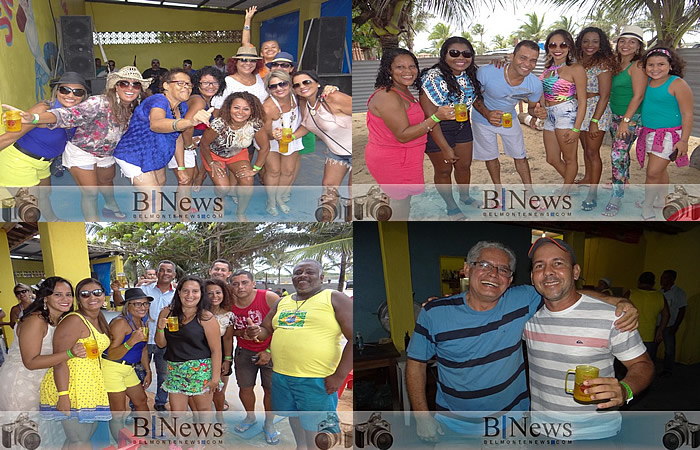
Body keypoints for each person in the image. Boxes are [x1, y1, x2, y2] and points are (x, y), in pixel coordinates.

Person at [406, 240, 638, 442]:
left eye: (503, 269)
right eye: (484, 265)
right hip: (454, 426)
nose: (493, 274)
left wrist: (618, 301)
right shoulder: (434, 313)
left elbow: (563, 291)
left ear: (510, 279)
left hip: (512, 424)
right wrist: (422, 417)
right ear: (466, 269)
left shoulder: (522, 300)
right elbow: (416, 365)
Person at [525, 238, 653, 441]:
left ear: (575, 272)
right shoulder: (528, 317)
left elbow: (642, 363)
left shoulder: (612, 316)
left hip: (595, 435)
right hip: (541, 433)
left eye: (558, 263)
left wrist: (625, 388)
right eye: (539, 265)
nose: (548, 271)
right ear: (532, 277)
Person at [12, 66, 150, 221]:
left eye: (136, 84)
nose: (130, 88)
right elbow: (66, 115)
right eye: (124, 83)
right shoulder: (98, 102)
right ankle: (94, 225)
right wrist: (35, 118)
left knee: (107, 181)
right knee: (90, 193)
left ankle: (110, 206)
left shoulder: (133, 108)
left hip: (106, 153)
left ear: (140, 90)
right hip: (81, 151)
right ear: (116, 86)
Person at [244, 260, 352, 449]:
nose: (302, 275)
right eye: (297, 272)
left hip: (316, 378)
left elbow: (354, 339)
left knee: (317, 425)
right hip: (282, 376)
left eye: (309, 271)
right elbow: (265, 331)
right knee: (294, 415)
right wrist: (255, 332)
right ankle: (300, 446)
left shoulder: (334, 298)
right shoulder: (282, 302)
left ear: (321, 277)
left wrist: (339, 376)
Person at [365, 48, 453, 220]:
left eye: (412, 66)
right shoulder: (387, 96)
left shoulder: (402, 90)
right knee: (398, 204)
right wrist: (436, 117)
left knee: (402, 200)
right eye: (400, 67)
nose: (408, 71)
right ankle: (396, 238)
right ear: (389, 70)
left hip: (406, 156)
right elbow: (403, 135)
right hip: (394, 158)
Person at [0, 72, 88, 221]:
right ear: (57, 91)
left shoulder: (77, 114)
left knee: (44, 194)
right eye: (65, 90)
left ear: (84, 96)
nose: (70, 95)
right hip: (19, 160)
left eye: (77, 92)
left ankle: (53, 220)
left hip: (43, 163)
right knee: (28, 210)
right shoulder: (43, 109)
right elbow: (10, 136)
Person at [40, 278, 112, 449]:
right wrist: (63, 395)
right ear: (79, 299)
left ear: (104, 295)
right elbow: (59, 361)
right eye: (85, 294)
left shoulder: (98, 317)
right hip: (72, 388)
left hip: (88, 385)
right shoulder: (74, 320)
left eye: (97, 293)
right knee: (80, 439)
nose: (92, 297)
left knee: (82, 436)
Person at [113, 68, 213, 192]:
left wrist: (181, 168)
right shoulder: (158, 100)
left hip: (155, 155)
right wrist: (190, 122)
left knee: (159, 186)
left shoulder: (181, 107)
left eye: (189, 84)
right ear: (166, 85)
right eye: (180, 83)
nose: (186, 87)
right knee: (153, 196)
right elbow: (156, 123)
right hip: (134, 154)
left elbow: (177, 138)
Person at [470, 40, 546, 199]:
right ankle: (498, 192)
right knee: (490, 157)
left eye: (533, 60)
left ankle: (530, 193)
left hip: (508, 119)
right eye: (522, 58)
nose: (527, 64)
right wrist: (487, 114)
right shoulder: (487, 72)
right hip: (482, 120)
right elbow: (474, 96)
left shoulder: (535, 84)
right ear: (512, 56)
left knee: (520, 155)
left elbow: (532, 108)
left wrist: (536, 114)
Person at [419, 37, 482, 219]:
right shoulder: (432, 77)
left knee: (464, 166)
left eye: (466, 53)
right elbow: (430, 116)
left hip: (462, 124)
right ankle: (451, 206)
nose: (460, 57)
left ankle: (465, 197)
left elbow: (475, 99)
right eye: (454, 53)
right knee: (444, 170)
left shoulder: (470, 74)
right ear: (444, 55)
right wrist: (445, 148)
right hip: (438, 127)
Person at [0, 277, 85, 411]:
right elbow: (30, 362)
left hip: (41, 382)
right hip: (21, 382)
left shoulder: (60, 319)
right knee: (24, 429)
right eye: (58, 294)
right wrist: (70, 353)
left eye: (68, 295)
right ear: (45, 297)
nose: (65, 299)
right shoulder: (36, 320)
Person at [636, 47, 693, 220]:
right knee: (659, 171)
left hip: (668, 135)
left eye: (661, 64)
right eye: (650, 65)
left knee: (653, 172)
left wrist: (684, 141)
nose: (655, 68)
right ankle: (661, 199)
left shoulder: (677, 83)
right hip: (648, 133)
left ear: (670, 65)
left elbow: (687, 114)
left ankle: (647, 206)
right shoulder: (647, 82)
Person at [155, 276, 222, 415]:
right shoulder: (167, 313)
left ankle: (204, 437)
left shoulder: (206, 318)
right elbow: (161, 344)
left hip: (200, 371)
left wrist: (215, 378)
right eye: (185, 291)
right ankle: (180, 438)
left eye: (195, 291)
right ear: (178, 292)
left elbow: (216, 350)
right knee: (177, 412)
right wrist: (160, 328)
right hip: (175, 369)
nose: (190, 295)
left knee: (203, 410)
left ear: (201, 294)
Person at [200, 91, 269, 221]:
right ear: (229, 107)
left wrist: (256, 169)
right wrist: (211, 163)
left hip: (237, 154)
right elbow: (204, 144)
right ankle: (220, 201)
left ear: (252, 111)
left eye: (246, 109)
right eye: (236, 107)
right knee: (223, 188)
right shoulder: (219, 124)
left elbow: (265, 147)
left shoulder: (255, 124)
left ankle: (241, 213)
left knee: (247, 180)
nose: (240, 112)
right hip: (214, 155)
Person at [230, 270, 280, 444]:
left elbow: (285, 328)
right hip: (244, 352)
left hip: (270, 351)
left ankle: (269, 423)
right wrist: (241, 332)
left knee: (270, 390)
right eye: (235, 284)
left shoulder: (269, 298)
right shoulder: (229, 303)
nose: (240, 287)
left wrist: (270, 352)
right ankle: (250, 417)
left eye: (244, 282)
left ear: (253, 283)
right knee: (245, 388)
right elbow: (228, 331)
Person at [293, 71, 352, 219]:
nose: (302, 86)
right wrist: (290, 137)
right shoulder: (304, 103)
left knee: (354, 192)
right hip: (336, 153)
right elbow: (308, 124)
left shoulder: (332, 98)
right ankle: (326, 220)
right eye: (297, 85)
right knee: (328, 188)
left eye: (306, 82)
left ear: (317, 83)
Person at [602, 26, 646, 216]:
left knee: (617, 155)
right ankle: (622, 183)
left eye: (632, 41)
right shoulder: (615, 63)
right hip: (616, 116)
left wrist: (625, 121)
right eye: (622, 40)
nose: (626, 45)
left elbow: (638, 96)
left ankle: (617, 197)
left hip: (631, 118)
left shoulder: (637, 66)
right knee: (622, 153)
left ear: (638, 47)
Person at [573, 27, 618, 211]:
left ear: (601, 44)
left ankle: (593, 193)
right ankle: (587, 178)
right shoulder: (578, 61)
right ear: (580, 42)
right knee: (585, 149)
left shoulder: (603, 63)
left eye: (595, 41)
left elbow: (605, 95)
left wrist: (594, 121)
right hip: (581, 110)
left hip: (596, 111)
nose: (590, 45)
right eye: (586, 41)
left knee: (593, 153)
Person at [539, 30, 587, 195]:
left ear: (569, 47)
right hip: (550, 115)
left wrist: (576, 129)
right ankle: (571, 185)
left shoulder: (575, 69)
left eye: (563, 44)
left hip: (566, 113)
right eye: (552, 44)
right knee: (552, 158)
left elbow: (582, 101)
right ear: (547, 47)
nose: (557, 48)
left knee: (569, 158)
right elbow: (542, 96)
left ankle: (566, 191)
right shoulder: (547, 70)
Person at [102, 288, 152, 441]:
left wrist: (148, 370)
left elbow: (143, 349)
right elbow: (110, 354)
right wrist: (131, 342)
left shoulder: (143, 322)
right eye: (137, 304)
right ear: (127, 306)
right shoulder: (120, 323)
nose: (142, 307)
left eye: (145, 304)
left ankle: (145, 434)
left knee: (141, 401)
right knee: (118, 412)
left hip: (130, 368)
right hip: (112, 368)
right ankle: (122, 444)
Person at [263, 70, 304, 216]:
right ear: (269, 89)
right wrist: (273, 135)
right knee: (274, 171)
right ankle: (271, 202)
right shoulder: (268, 107)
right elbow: (265, 133)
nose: (279, 89)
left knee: (288, 171)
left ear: (289, 83)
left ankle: (279, 198)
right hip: (270, 141)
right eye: (273, 86)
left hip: (291, 137)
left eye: (283, 84)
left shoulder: (299, 98)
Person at [140, 260, 177, 412]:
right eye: (162, 270)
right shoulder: (144, 289)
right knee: (140, 372)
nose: (166, 273)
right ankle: (137, 404)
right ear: (157, 273)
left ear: (174, 275)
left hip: (165, 341)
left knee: (164, 373)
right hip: (143, 339)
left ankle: (161, 401)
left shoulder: (178, 294)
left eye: (169, 271)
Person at [184, 66, 226, 191]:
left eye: (214, 83)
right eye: (205, 83)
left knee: (192, 175)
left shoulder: (208, 101)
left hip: (193, 141)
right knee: (187, 178)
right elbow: (187, 125)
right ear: (198, 84)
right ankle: (183, 208)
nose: (210, 86)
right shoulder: (199, 101)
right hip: (183, 143)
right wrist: (188, 145)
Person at [204, 278, 234, 424]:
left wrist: (227, 360)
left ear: (224, 294)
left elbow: (228, 339)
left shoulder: (228, 315)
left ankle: (219, 417)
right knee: (202, 391)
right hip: (199, 356)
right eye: (210, 293)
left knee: (218, 390)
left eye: (218, 292)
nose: (214, 296)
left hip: (220, 355)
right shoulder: (197, 313)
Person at [212, 46, 268, 113]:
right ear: (235, 62)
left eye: (253, 60)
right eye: (243, 60)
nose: (248, 63)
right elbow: (217, 111)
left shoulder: (259, 77)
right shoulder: (227, 82)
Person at [625, 272, 668, 354]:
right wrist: (660, 330)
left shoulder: (630, 293)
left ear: (639, 281)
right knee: (647, 362)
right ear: (653, 283)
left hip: (630, 333)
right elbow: (666, 314)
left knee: (627, 361)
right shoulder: (659, 296)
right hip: (649, 336)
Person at [656, 270, 687, 375]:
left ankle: (667, 370)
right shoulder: (659, 293)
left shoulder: (678, 293)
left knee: (669, 349)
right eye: (662, 277)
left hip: (670, 325)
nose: (661, 280)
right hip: (658, 324)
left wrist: (676, 326)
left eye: (665, 278)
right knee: (652, 347)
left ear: (672, 279)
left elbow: (682, 310)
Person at [241, 6, 280, 79]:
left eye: (273, 47)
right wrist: (248, 19)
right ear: (261, 53)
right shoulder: (256, 66)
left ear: (279, 51)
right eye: (266, 48)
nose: (270, 49)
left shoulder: (284, 65)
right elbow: (245, 42)